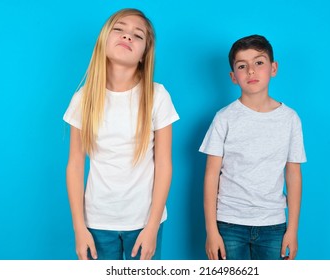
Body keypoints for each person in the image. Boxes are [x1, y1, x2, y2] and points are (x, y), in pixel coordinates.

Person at [63, 8, 179, 260]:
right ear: (104, 39)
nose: (127, 37)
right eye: (119, 29)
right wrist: (79, 227)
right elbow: (74, 165)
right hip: (96, 222)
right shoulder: (83, 99)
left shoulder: (157, 96)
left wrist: (151, 227)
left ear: (143, 54)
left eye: (137, 35)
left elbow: (164, 165)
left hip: (144, 221)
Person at [199, 35, 306, 260]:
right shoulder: (224, 118)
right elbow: (211, 175)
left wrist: (292, 230)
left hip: (273, 224)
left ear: (273, 68)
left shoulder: (290, 119)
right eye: (242, 66)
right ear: (233, 77)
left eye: (259, 62)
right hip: (229, 223)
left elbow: (293, 174)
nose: (251, 71)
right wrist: (212, 231)